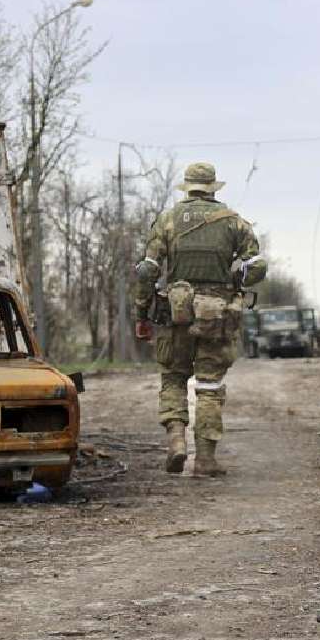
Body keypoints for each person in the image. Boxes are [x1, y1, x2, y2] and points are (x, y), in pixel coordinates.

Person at [134, 162, 266, 477]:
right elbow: (257, 265)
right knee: (209, 385)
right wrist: (237, 279)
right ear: (212, 187)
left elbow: (147, 270)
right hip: (217, 315)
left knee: (173, 377)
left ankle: (176, 440)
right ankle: (205, 460)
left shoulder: (167, 219)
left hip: (174, 314)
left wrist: (142, 312)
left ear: (188, 186)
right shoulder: (233, 222)